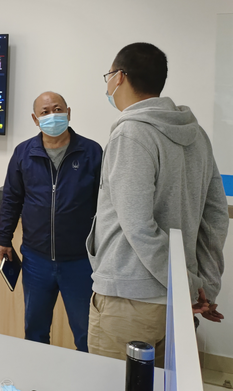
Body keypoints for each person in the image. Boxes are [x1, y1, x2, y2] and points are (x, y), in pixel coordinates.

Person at [88, 42, 229, 366]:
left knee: (115, 390)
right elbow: (216, 218)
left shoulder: (130, 133)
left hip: (128, 299)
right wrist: (203, 286)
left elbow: (139, 226)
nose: (108, 85)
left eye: (108, 76)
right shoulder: (197, 135)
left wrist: (187, 286)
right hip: (175, 305)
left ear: (120, 77)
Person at [0, 91, 102, 352]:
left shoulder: (91, 151)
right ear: (35, 119)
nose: (52, 115)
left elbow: (105, 205)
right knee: (35, 331)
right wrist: (3, 238)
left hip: (80, 261)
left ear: (68, 113)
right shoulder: (24, 153)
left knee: (86, 334)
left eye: (57, 109)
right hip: (36, 260)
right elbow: (11, 199)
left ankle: (89, 376)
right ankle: (36, 374)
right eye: (44, 112)